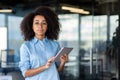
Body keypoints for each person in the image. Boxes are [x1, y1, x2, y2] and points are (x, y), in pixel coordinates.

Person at [19, 6, 68, 80]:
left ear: (48, 26)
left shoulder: (55, 45)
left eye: (44, 23)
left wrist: (63, 63)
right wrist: (45, 66)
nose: (40, 26)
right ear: (31, 26)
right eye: (36, 23)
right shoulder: (26, 46)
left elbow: (57, 70)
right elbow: (25, 73)